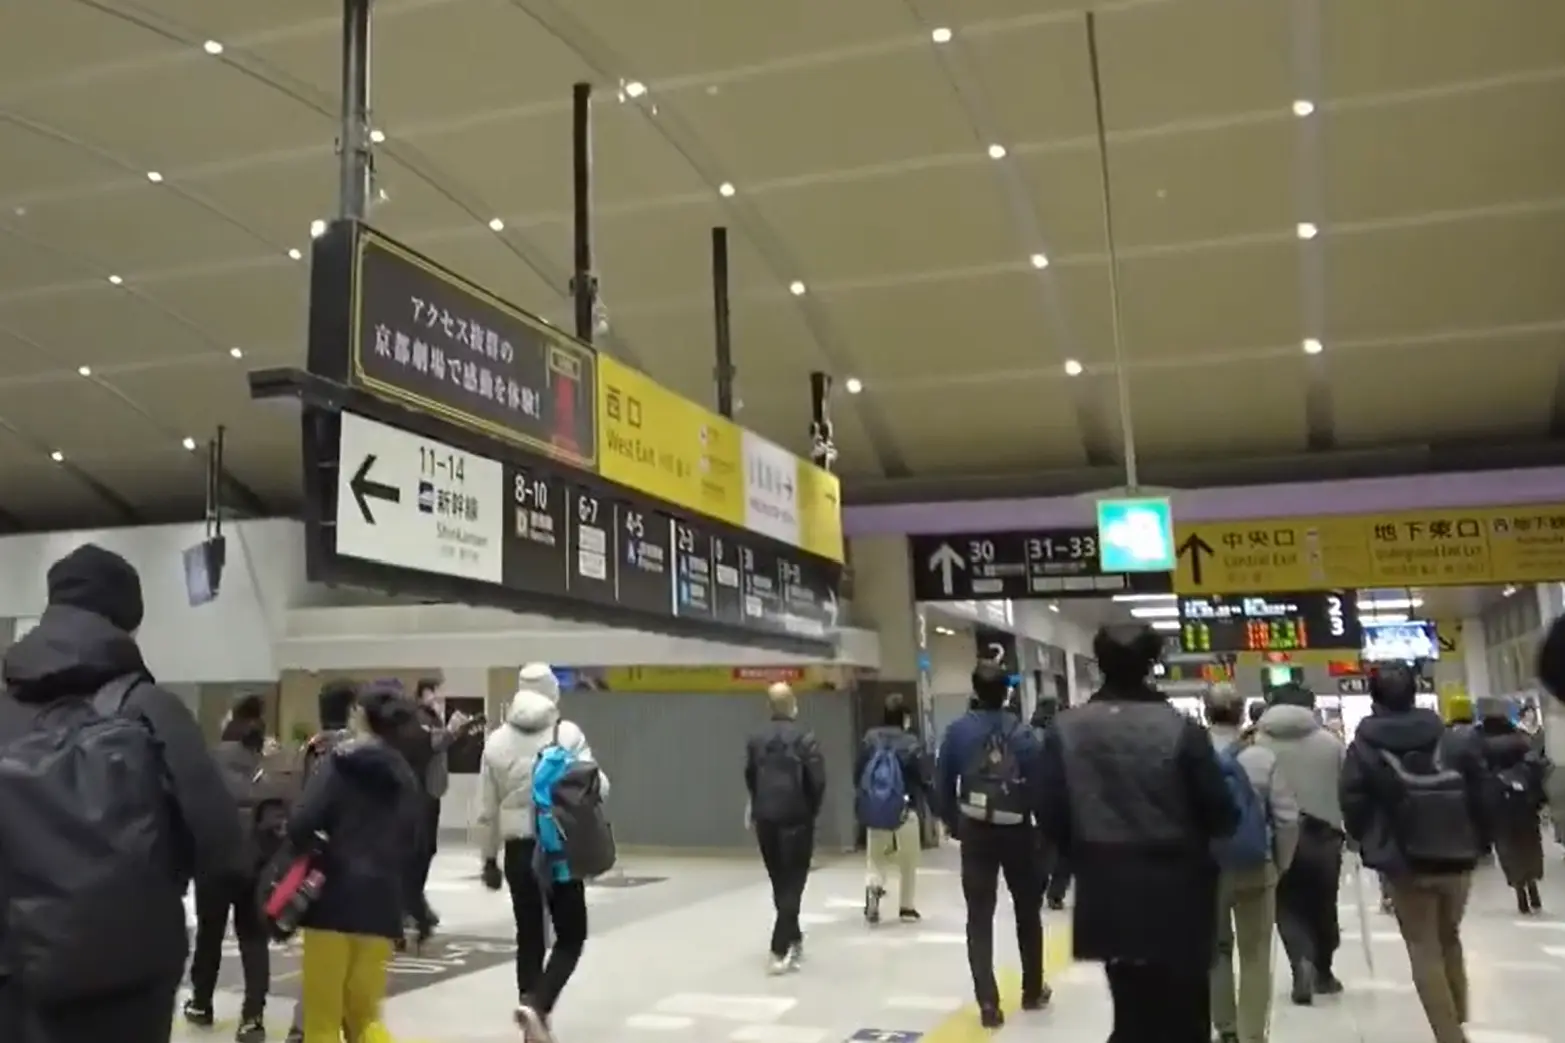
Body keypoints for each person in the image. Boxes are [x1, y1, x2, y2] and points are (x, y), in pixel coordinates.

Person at [0, 543, 242, 1043]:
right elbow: (223, 851)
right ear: (129, 623)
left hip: (16, 978)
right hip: (128, 984)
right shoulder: (152, 709)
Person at [1036, 626, 1238, 1043]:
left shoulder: (1066, 730)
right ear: (1151, 664)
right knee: (1185, 1013)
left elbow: (1050, 811)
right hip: (1179, 888)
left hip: (1106, 887)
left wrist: (1083, 851)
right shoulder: (1181, 730)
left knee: (1130, 1007)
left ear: (1098, 664)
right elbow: (1222, 814)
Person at [1341, 664, 1490, 1043]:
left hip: (1403, 861)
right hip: (1457, 855)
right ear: (1415, 693)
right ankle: (1459, 1016)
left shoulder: (1363, 747)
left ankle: (1450, 1035)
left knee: (1423, 946)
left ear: (1373, 698)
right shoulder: (1451, 739)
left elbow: (1353, 803)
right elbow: (1482, 791)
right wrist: (1479, 840)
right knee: (1449, 935)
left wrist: (1369, 842)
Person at [474, 663, 606, 1042]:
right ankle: (539, 1005)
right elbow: (599, 786)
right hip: (560, 846)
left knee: (529, 935)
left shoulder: (496, 742)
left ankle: (531, 1021)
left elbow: (486, 810)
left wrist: (487, 859)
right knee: (571, 935)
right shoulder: (567, 734)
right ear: (552, 692)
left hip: (518, 851)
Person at [289, 681, 423, 1043]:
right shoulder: (404, 774)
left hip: (330, 902)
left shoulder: (339, 763)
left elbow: (301, 822)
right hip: (381, 907)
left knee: (322, 1019)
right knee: (366, 1017)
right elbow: (413, 842)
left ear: (360, 716)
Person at [936, 661, 1049, 1028]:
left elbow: (941, 787)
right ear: (1007, 693)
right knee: (1027, 911)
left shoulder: (956, 732)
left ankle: (988, 1002)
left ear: (974, 690)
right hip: (1017, 829)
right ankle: (1032, 990)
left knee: (979, 916)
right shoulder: (1023, 733)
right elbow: (1041, 785)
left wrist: (957, 825)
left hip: (976, 829)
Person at [186, 694, 291, 1042]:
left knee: (209, 935)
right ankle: (252, 1018)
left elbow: (192, 810)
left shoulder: (206, 762)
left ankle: (201, 1004)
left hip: (213, 863)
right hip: (256, 867)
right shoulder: (271, 768)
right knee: (253, 940)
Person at [1204, 683, 1300, 1043]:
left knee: (1216, 948)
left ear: (1205, 712)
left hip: (1206, 869)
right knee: (1256, 952)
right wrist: (1280, 863)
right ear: (1242, 713)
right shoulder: (1262, 757)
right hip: (1255, 865)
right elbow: (1287, 818)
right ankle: (1251, 1034)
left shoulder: (1189, 757)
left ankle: (1224, 1026)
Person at [1251, 681, 1347, 1003]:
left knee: (1287, 905)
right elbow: (1346, 791)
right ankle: (1325, 971)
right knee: (1323, 905)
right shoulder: (1330, 744)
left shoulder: (1255, 743)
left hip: (1278, 837)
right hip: (1325, 838)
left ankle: (1300, 962)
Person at [284, 679, 362, 1043]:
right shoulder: (355, 753)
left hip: (313, 863)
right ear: (351, 710)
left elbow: (298, 807)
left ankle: (305, 1028)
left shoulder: (309, 749)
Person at [744, 681, 827, 976]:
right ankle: (779, 948)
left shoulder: (756, 740)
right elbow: (817, 781)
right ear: (793, 704)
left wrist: (757, 806)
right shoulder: (805, 738)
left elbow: (751, 777)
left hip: (765, 818)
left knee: (779, 880)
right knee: (794, 883)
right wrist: (810, 811)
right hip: (796, 818)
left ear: (769, 707)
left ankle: (794, 937)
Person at [402, 677, 478, 936]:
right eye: (435, 693)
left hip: (431, 791)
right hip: (420, 792)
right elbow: (432, 744)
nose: (439, 698)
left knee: (426, 848)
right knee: (418, 849)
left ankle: (414, 901)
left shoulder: (431, 718)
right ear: (424, 693)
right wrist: (452, 730)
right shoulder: (419, 718)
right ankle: (409, 905)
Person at [854, 691, 926, 924]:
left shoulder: (870, 738)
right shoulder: (911, 742)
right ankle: (906, 907)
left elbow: (858, 772)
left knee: (876, 857)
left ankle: (874, 887)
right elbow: (922, 775)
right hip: (906, 808)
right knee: (908, 859)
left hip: (876, 807)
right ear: (905, 718)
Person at [1475, 696, 1546, 913]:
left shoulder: (1480, 743)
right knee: (1529, 841)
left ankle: (1519, 891)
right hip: (1523, 800)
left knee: (1507, 845)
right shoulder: (1519, 740)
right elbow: (1536, 768)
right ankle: (1533, 885)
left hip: (1497, 801)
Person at [1030, 696, 1071, 910]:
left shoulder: (1029, 734)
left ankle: (1036, 890)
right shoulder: (1061, 735)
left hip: (1037, 798)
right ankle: (1055, 893)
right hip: (1061, 796)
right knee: (1065, 849)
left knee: (1043, 847)